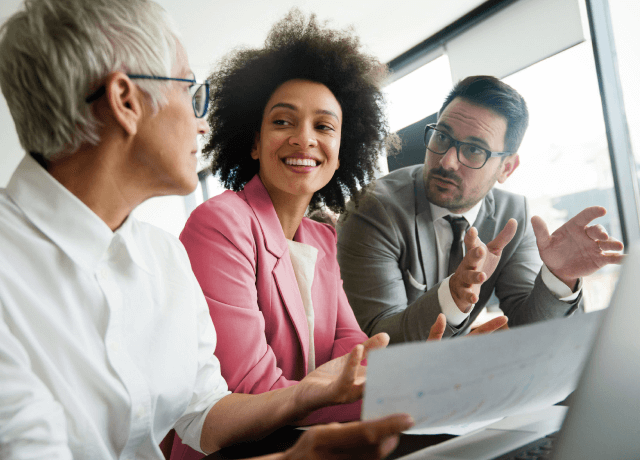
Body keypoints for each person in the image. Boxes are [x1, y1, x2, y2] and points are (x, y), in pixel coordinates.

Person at [0, 1, 414, 459]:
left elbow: (204, 414)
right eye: (189, 90)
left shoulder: (162, 258)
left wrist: (309, 402)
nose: (201, 123)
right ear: (125, 101)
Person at [172, 11, 435, 460]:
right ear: (253, 143)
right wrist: (399, 388)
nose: (304, 139)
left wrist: (421, 374)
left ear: (341, 152)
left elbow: (354, 349)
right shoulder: (220, 223)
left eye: (324, 126)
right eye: (282, 122)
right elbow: (253, 390)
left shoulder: (321, 238)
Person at [336, 75, 624, 343]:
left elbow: (530, 328)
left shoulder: (512, 217)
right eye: (442, 137)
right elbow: (379, 336)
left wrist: (559, 277)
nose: (447, 161)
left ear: (506, 168)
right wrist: (453, 296)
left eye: (474, 150)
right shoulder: (372, 208)